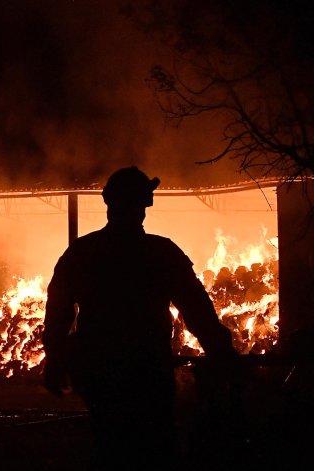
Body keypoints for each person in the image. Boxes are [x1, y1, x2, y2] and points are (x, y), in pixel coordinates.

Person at [42, 167, 240, 469]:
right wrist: (221, 349)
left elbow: (58, 312)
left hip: (102, 372)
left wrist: (57, 359)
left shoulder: (84, 252)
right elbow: (195, 307)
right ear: (144, 204)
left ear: (109, 203)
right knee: (156, 449)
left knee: (111, 447)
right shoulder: (160, 252)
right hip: (147, 370)